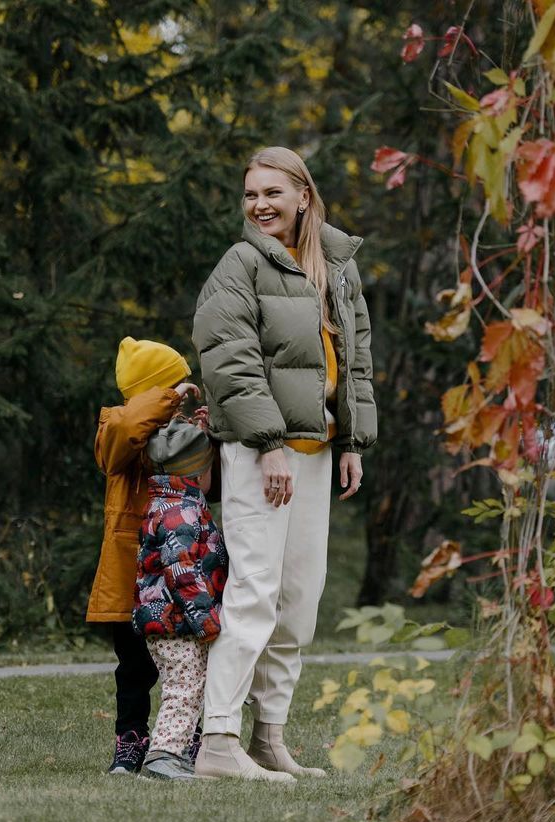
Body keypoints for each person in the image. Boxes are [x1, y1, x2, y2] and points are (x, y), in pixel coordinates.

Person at [191, 146, 377, 781]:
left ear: (304, 196)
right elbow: (228, 358)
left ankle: (269, 738)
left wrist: (352, 442)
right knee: (254, 591)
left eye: (272, 193)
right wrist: (268, 443)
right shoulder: (240, 265)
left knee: (299, 599)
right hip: (259, 452)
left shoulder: (338, 267)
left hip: (317, 451)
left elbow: (356, 360)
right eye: (251, 195)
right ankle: (218, 741)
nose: (260, 205)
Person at [86, 337, 199, 774]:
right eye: (173, 386)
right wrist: (169, 397)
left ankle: (183, 737)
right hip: (129, 571)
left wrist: (202, 432)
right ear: (153, 391)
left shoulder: (173, 433)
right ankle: (130, 740)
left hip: (174, 567)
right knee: (133, 667)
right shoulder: (114, 427)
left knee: (185, 660)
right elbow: (130, 427)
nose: (181, 396)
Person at [133, 417, 227, 781]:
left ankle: (181, 752)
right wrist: (206, 621)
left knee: (190, 685)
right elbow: (182, 572)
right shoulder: (180, 514)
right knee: (184, 687)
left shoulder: (172, 503)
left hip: (171, 619)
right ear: (199, 474)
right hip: (175, 621)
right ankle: (164, 756)